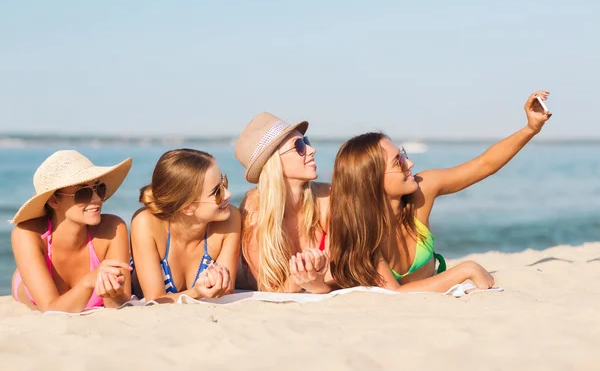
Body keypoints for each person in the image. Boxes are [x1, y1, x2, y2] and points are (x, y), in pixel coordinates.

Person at [328, 91, 551, 292]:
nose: (411, 164)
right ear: (372, 180)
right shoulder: (364, 233)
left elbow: (484, 164)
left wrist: (531, 129)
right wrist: (465, 269)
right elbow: (394, 294)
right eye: (399, 162)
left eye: (404, 155)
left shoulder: (422, 191)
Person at [11, 150, 133, 312]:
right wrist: (88, 282)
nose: (97, 198)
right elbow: (50, 310)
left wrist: (113, 294)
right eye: (83, 193)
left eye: (99, 188)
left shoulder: (113, 228)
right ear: (54, 200)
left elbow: (118, 306)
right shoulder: (27, 234)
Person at [235, 113, 331, 293]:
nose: (312, 150)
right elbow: (271, 291)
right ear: (274, 162)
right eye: (299, 146)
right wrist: (302, 279)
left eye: (306, 141)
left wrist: (313, 283)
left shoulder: (327, 198)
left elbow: (341, 275)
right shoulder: (255, 212)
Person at [130, 148, 241, 303]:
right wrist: (196, 292)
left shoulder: (230, 219)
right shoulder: (146, 224)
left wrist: (219, 284)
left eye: (224, 182)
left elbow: (226, 291)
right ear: (187, 207)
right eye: (217, 192)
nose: (228, 194)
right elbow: (154, 300)